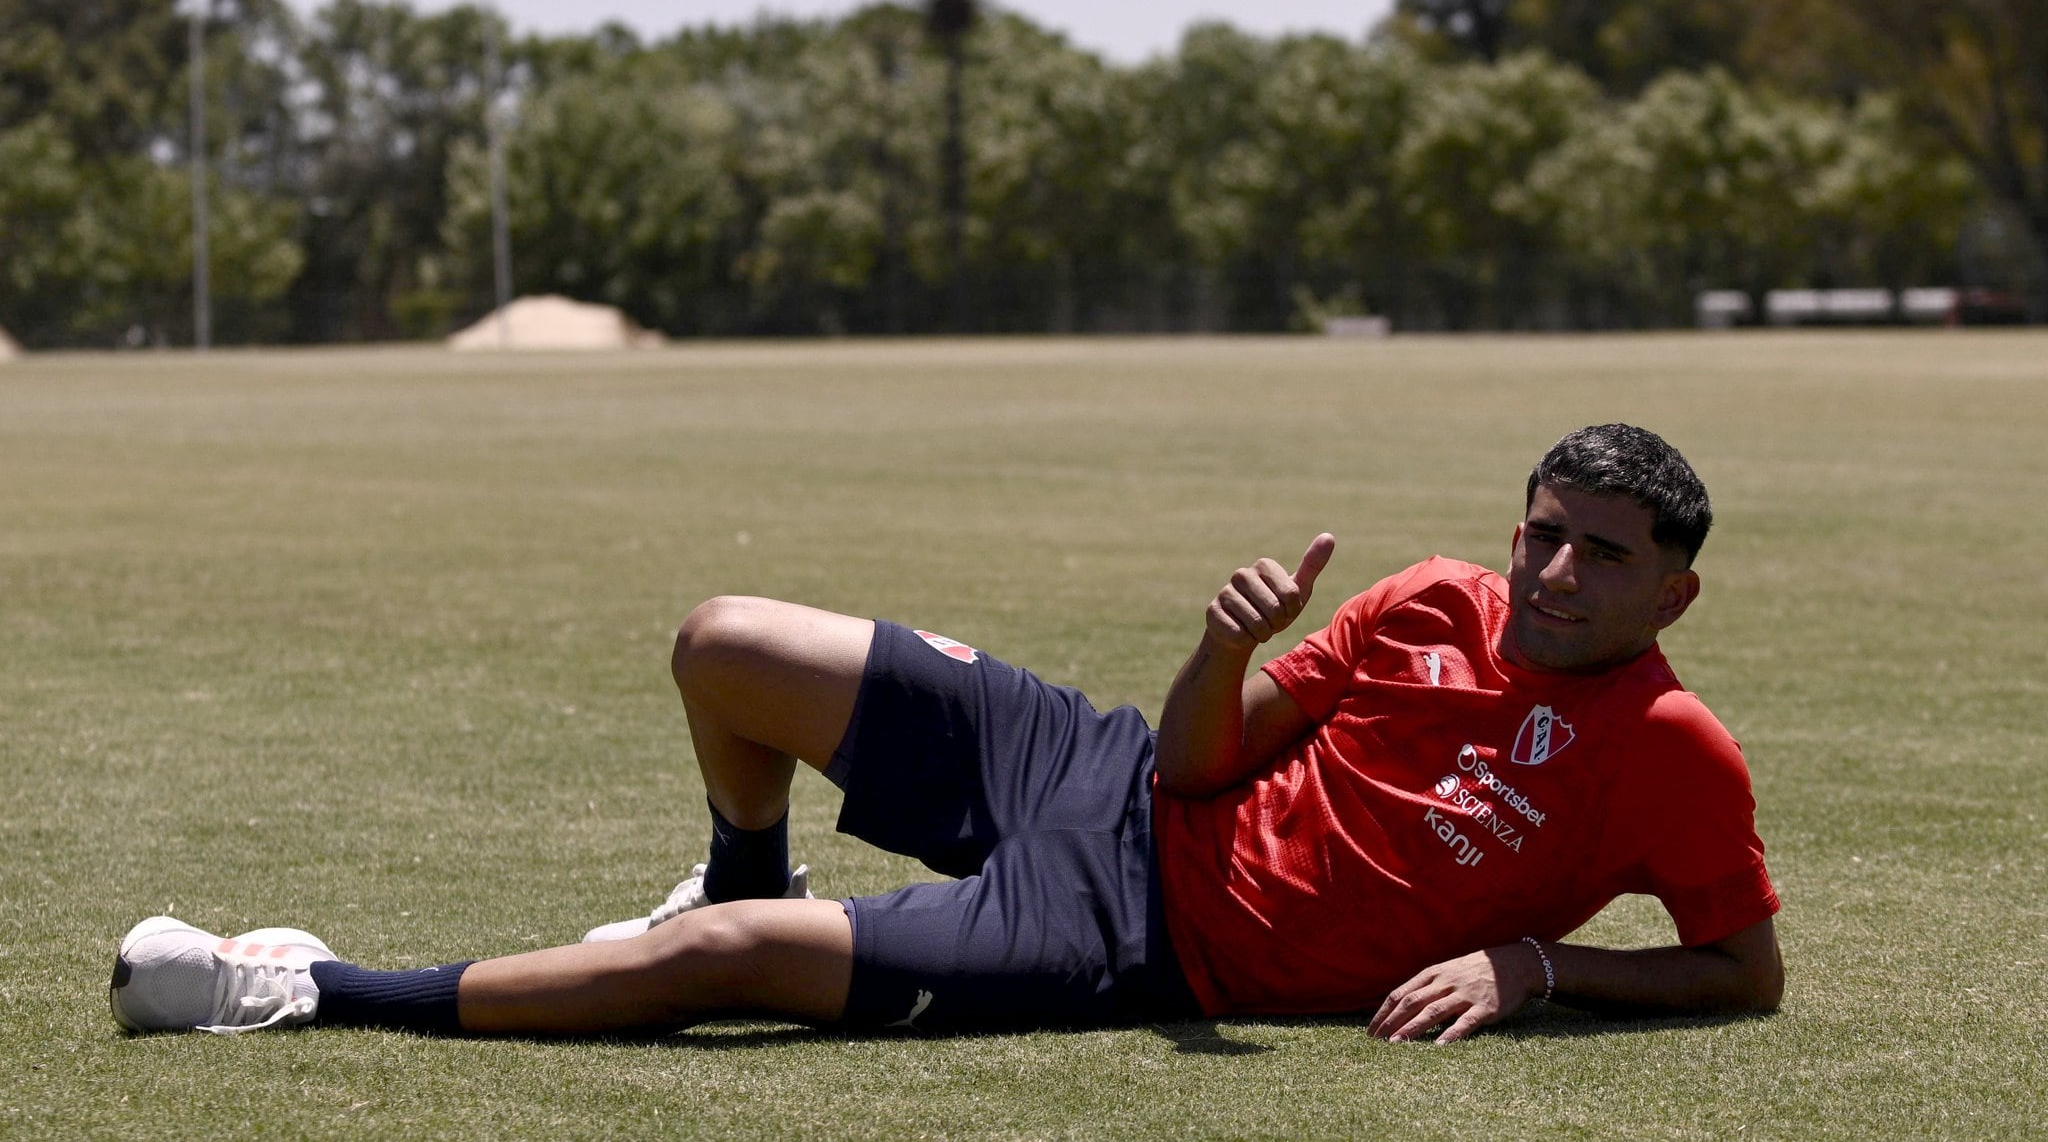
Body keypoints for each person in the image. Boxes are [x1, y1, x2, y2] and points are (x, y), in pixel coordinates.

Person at [111, 423, 1782, 1045]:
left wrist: (1539, 968)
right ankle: (731, 856)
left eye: (1602, 553)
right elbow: (1203, 760)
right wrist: (1220, 647)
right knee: (726, 642)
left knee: (732, 966)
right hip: (1104, 769)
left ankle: (299, 985)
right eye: (1540, 531)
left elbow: (1742, 968)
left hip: (1139, 936)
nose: (1552, 571)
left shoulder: (1673, 749)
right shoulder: (1426, 598)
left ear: (1675, 595)